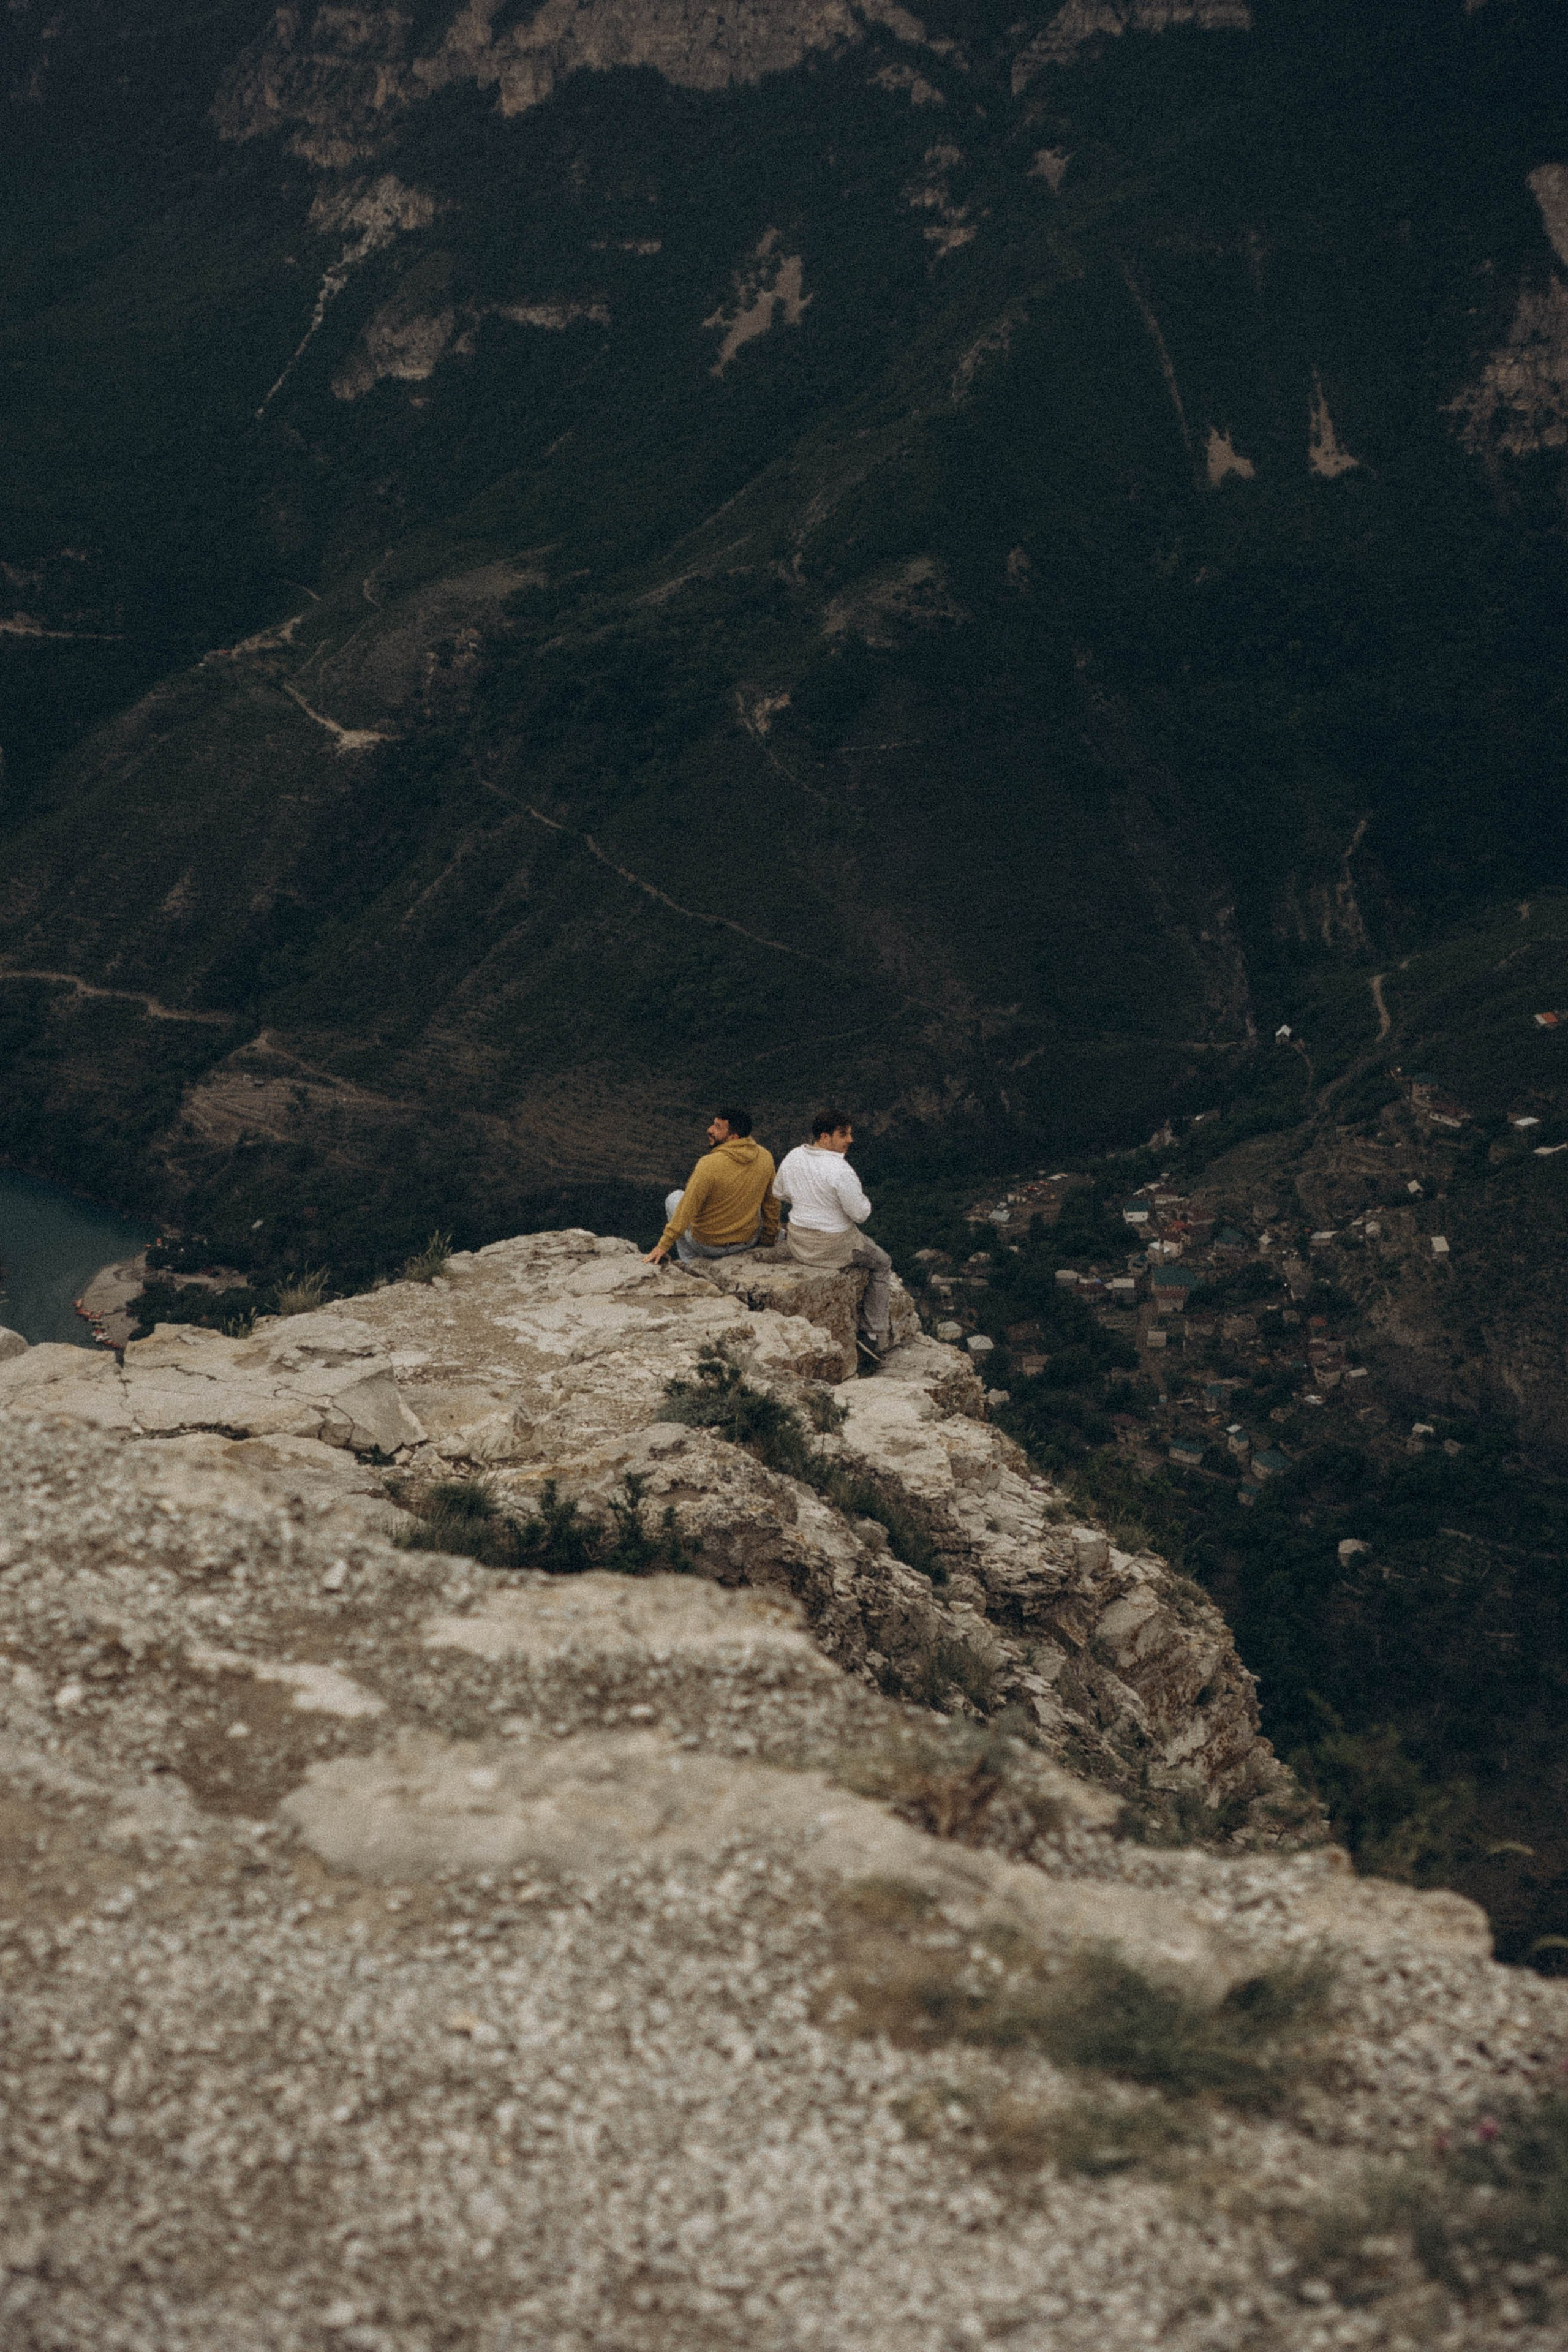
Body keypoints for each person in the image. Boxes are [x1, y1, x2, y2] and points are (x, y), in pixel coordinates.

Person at [772, 1110, 893, 1362]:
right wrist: (865, 1202)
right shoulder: (841, 1169)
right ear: (825, 1138)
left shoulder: (794, 1156)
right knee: (883, 1263)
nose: (850, 1140)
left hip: (799, 1243)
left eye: (849, 1133)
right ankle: (873, 1334)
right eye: (843, 1134)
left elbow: (779, 1192)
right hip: (833, 1247)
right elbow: (860, 1214)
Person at [647, 1109, 780, 1265]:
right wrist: (769, 1238)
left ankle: (691, 1262)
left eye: (717, 1127)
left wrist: (663, 1246)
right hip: (747, 1242)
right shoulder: (765, 1157)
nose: (710, 1130)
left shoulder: (709, 1164)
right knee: (754, 1200)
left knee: (674, 1198)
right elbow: (772, 1203)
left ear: (733, 1137)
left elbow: (687, 1208)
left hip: (708, 1246)